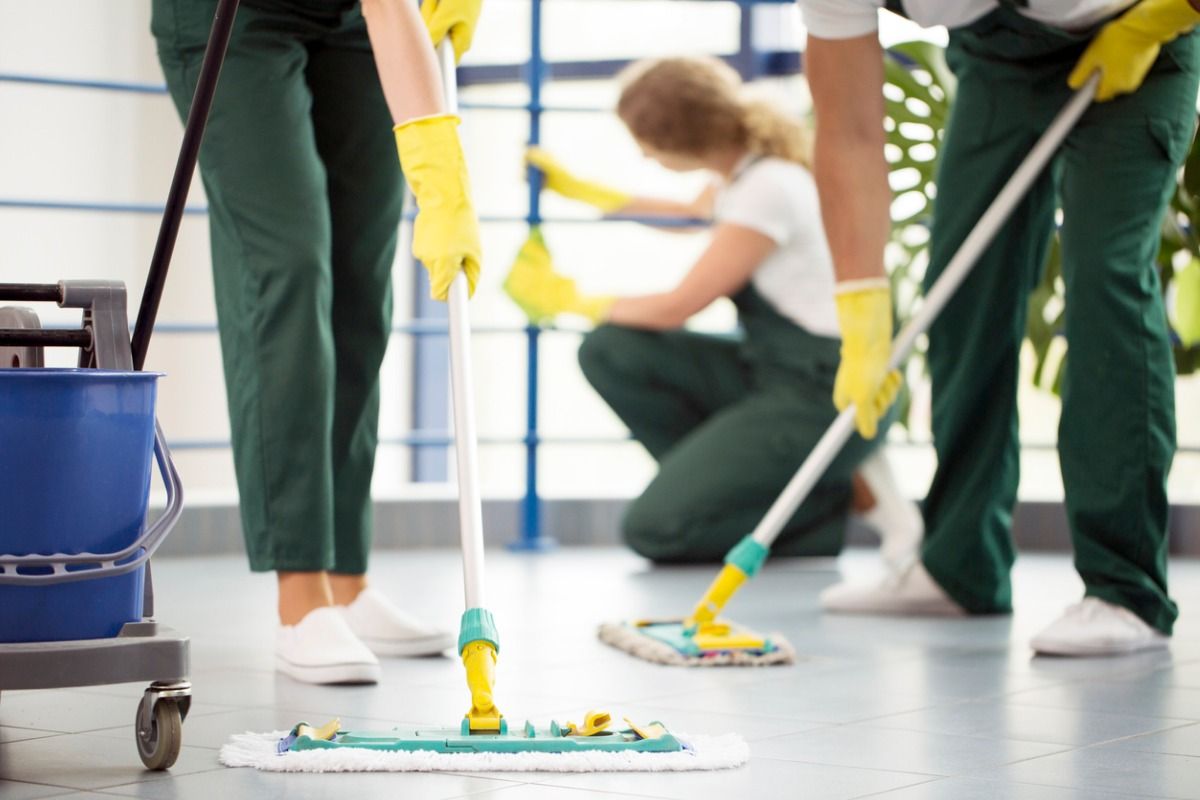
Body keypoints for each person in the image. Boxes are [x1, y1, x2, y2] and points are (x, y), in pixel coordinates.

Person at [799, 0, 1200, 655]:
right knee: (963, 290)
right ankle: (960, 568)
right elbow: (847, 131)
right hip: (998, 64)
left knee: (1106, 283)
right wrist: (862, 311)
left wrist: (1167, 12)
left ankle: (1126, 591)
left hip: (1143, 34)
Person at [151, 0, 482, 684]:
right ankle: (302, 599)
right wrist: (442, 177)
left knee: (363, 275)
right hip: (233, 17)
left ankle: (348, 583)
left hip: (356, 22)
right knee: (290, 262)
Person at [504, 57, 921, 566]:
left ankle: (823, 505)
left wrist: (568, 301)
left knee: (655, 530)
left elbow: (679, 306)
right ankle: (727, 486)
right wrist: (582, 191)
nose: (643, 155)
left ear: (680, 141)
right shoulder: (744, 171)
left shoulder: (767, 187)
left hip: (823, 390)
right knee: (611, 349)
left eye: (646, 144)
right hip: (772, 369)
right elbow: (688, 216)